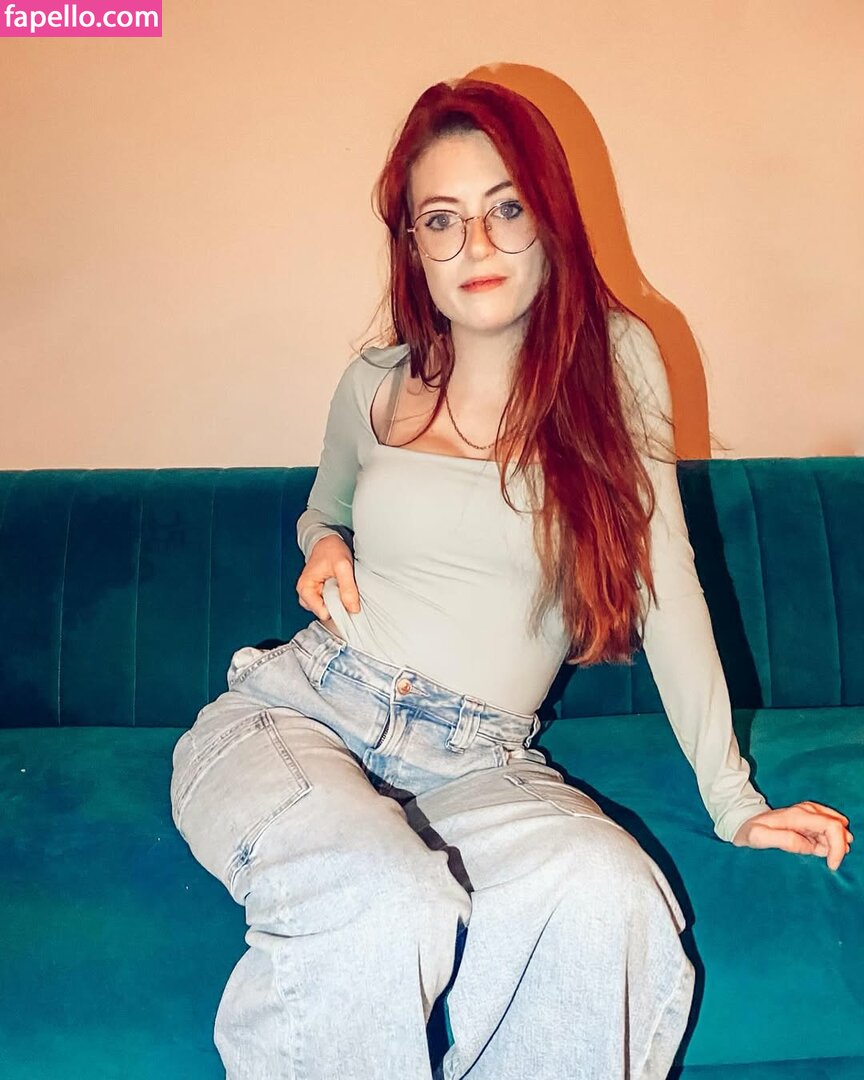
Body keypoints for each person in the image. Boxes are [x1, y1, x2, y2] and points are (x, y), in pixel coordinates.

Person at [169, 78, 853, 1080]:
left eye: (506, 208)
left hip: (478, 757)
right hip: (300, 711)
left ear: (548, 217)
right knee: (381, 892)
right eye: (441, 220)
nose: (477, 244)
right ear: (413, 245)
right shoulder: (373, 383)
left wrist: (732, 799)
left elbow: (665, 583)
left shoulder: (617, 364)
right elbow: (326, 510)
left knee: (606, 893)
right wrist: (323, 545)